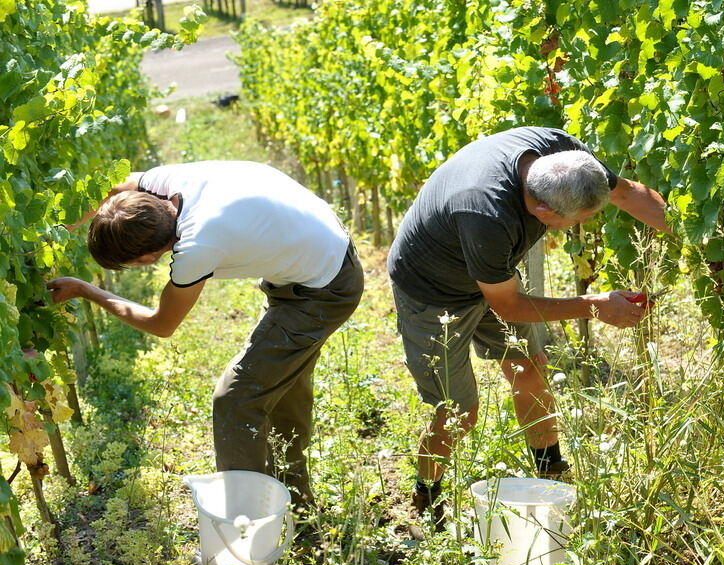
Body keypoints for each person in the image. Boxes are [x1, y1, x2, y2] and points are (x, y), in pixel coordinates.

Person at [387, 126, 668, 533]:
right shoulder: (485, 213)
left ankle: (549, 471)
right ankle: (426, 498)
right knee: (458, 412)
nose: (585, 224)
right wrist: (592, 306)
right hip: (433, 289)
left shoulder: (565, 159)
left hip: (493, 273)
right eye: (581, 220)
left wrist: (699, 240)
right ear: (543, 212)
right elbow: (508, 304)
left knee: (530, 369)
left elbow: (625, 192)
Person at [47, 161, 363, 510]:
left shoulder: (198, 245)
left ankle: (247, 525)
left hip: (323, 288)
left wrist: (86, 290)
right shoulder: (167, 182)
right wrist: (54, 229)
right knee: (280, 387)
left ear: (148, 257)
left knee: (236, 398)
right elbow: (114, 188)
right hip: (319, 252)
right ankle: (297, 504)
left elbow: (161, 324)